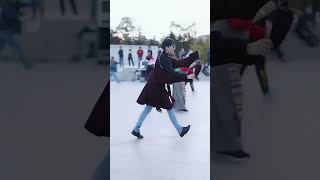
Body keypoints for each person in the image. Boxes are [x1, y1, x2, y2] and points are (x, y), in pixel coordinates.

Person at [212, 0, 292, 159]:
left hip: (241, 45)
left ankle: (227, 142)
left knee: (232, 93)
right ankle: (225, 143)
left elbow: (266, 39)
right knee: (226, 96)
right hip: (229, 47)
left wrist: (283, 15)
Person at [131, 38, 199, 138]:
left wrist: (194, 56)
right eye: (173, 46)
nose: (174, 48)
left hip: (153, 85)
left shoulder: (166, 57)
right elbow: (172, 75)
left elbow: (180, 63)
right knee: (169, 106)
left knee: (148, 108)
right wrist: (187, 77)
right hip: (155, 87)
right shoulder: (164, 59)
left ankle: (136, 129)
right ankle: (180, 130)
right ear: (166, 48)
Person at [0, 0, 33, 69]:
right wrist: (20, 16)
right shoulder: (6, 3)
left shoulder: (13, 3)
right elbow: (10, 14)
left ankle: (27, 63)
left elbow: (20, 4)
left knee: (3, 46)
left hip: (5, 29)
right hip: (6, 29)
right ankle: (27, 63)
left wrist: (30, 3)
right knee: (16, 47)